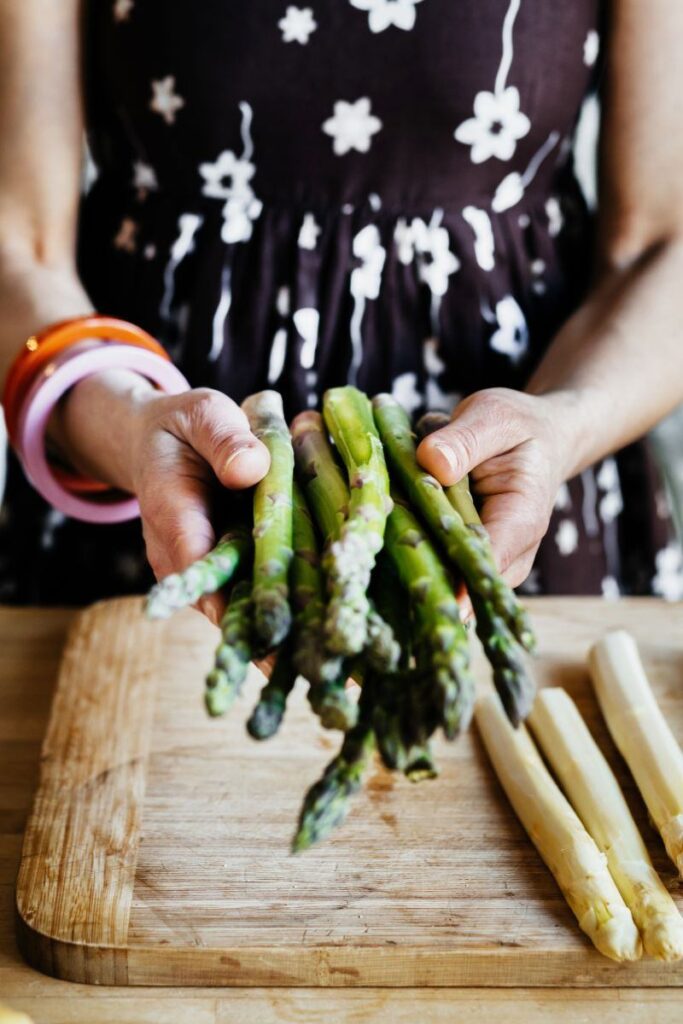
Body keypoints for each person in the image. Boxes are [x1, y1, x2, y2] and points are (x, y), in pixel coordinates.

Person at [1, 0, 682, 620]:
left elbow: (662, 245)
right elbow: (18, 246)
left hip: (511, 508)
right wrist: (122, 426)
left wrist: (560, 424)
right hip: (142, 504)